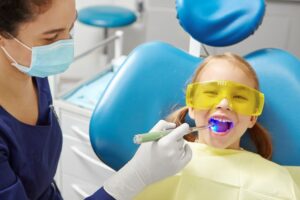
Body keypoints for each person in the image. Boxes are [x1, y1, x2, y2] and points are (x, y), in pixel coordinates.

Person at [0, 0, 192, 199]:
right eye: (50, 38)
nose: (66, 45)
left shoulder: (30, 68)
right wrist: (137, 175)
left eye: (71, 27)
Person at [134, 53, 300, 200]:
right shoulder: (162, 161)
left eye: (240, 97)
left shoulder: (276, 178)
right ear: (192, 107)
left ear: (252, 117)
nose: (224, 104)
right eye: (210, 93)